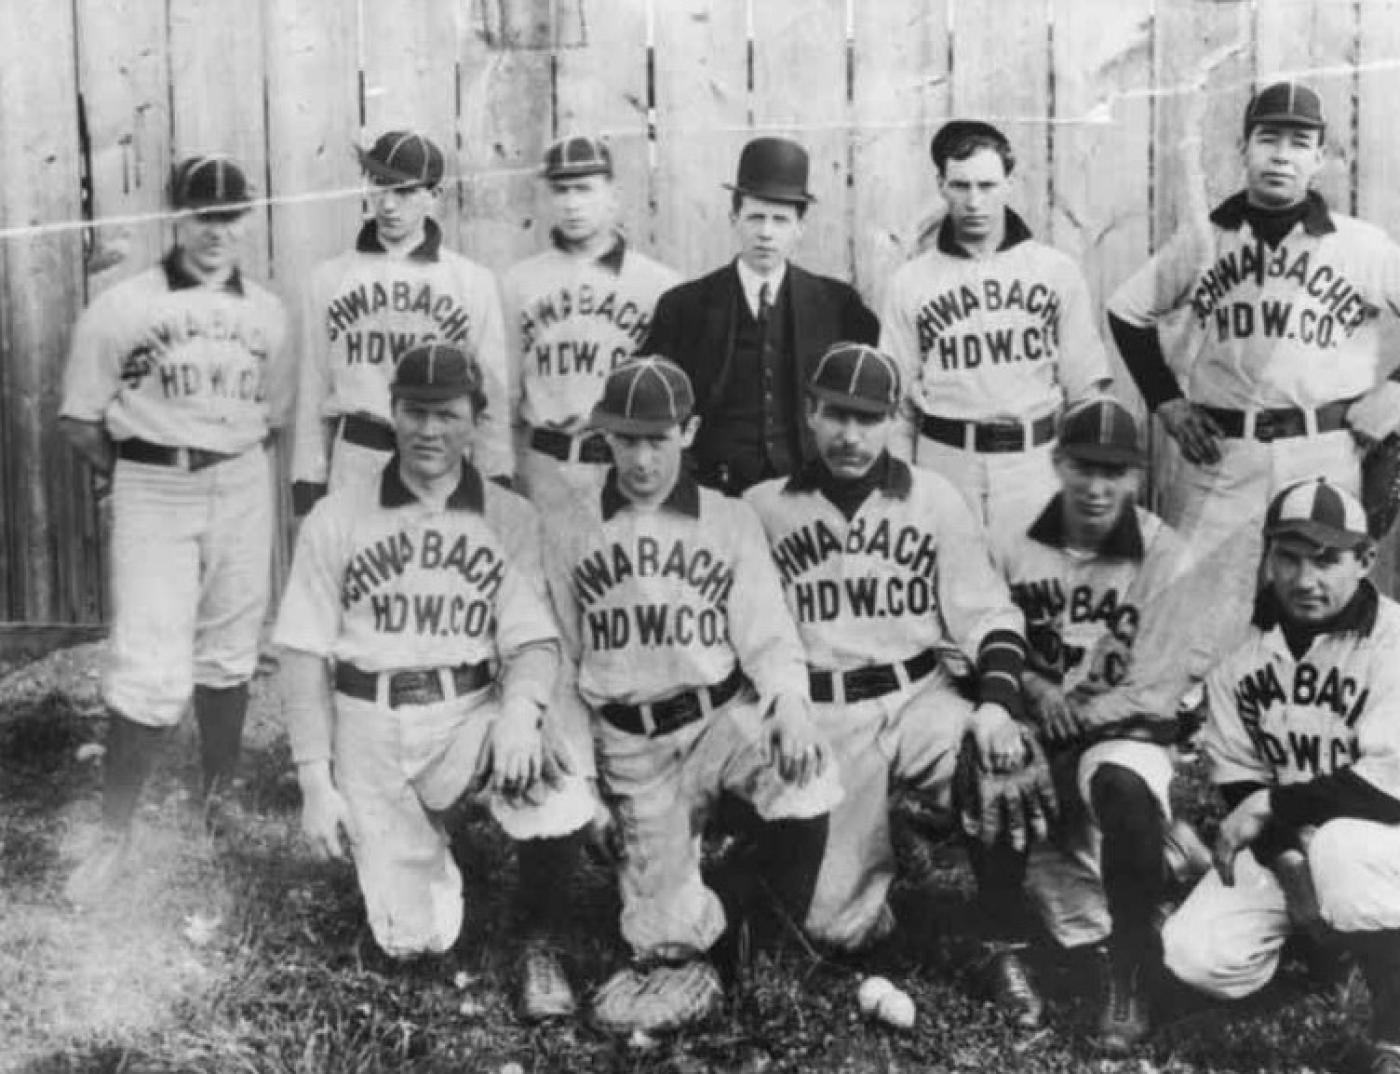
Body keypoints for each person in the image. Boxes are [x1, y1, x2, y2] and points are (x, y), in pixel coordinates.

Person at [273, 343, 595, 1020]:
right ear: (391, 412)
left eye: (447, 414)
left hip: (467, 716)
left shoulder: (508, 515)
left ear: (475, 419)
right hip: (369, 726)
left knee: (558, 784)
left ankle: (536, 938)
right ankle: (431, 853)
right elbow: (301, 652)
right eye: (414, 412)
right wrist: (314, 783)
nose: (428, 430)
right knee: (415, 943)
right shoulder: (339, 515)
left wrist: (520, 715)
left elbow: (535, 642)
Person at [744, 341, 1056, 1028]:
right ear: (809, 412)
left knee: (998, 761)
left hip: (919, 698)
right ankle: (825, 858)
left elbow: (989, 615)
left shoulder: (933, 497)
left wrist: (996, 706)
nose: (850, 436)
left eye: (868, 418)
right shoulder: (763, 507)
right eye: (836, 414)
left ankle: (1002, 939)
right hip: (824, 713)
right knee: (833, 932)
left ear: (893, 420)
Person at [542, 356, 842, 1034]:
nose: (641, 458)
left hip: (717, 721)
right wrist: (585, 785)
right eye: (626, 439)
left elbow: (768, 633)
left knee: (807, 776)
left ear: (689, 431)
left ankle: (763, 950)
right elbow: (562, 665)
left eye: (658, 438)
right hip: (631, 745)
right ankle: (698, 909)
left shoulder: (728, 518)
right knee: (665, 942)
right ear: (605, 436)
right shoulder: (569, 525)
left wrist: (789, 706)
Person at [58, 155, 291, 904]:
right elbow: (80, 419)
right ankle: (114, 831)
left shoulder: (268, 313)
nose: (216, 231)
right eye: (201, 216)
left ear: (246, 220)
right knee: (150, 658)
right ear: (175, 219)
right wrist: (133, 474)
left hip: (241, 476)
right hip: (155, 479)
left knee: (230, 645)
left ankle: (218, 798)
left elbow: (275, 413)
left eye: (230, 216)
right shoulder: (122, 307)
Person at [1107, 81, 1400, 648]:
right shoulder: (1203, 241)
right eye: (1269, 139)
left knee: (1320, 603)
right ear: (1244, 149)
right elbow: (1126, 311)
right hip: (1221, 453)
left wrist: (1396, 391)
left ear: (1319, 158)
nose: (1281, 155)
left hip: (1321, 448)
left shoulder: (1359, 245)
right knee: (1194, 610)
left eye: (1299, 142)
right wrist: (1166, 402)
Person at [993, 397, 1211, 1052]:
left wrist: (1075, 719)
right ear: (1057, 462)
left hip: (1120, 731)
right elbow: (972, 642)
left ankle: (1131, 971)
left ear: (1137, 476)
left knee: (1121, 784)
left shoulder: (1166, 553)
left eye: (1114, 472)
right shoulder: (1011, 539)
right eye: (1083, 467)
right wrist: (1034, 688)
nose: (1096, 486)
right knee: (1069, 908)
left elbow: (1161, 688)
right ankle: (1162, 858)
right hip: (1035, 729)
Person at [1161, 478, 1400, 1074]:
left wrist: (1274, 805)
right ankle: (1323, 954)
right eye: (1288, 558)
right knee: (1195, 954)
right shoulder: (1243, 649)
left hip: (1383, 839)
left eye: (1326, 560)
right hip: (1297, 839)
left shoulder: (1393, 641)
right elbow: (1239, 779)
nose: (1304, 579)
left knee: (1342, 851)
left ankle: (1393, 1032)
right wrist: (1288, 863)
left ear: (1366, 559)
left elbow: (1389, 787)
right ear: (1268, 557)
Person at [880, 120, 1112, 533]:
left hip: (1034, 465)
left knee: (1035, 573)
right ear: (941, 185)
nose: (974, 201)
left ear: (1009, 184)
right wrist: (901, 492)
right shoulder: (911, 282)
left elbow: (1086, 394)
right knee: (950, 573)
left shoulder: (1054, 271)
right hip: (945, 463)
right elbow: (896, 408)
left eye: (986, 186)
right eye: (960, 186)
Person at [642, 137, 878, 496]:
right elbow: (656, 407)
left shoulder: (837, 306)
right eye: (755, 218)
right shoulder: (685, 307)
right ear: (734, 219)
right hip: (715, 491)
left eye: (780, 220)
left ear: (800, 227)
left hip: (807, 492)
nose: (766, 233)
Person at [291, 130, 511, 514]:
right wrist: (308, 486)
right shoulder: (329, 279)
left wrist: (495, 485)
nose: (388, 204)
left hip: (439, 460)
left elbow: (491, 400)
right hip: (359, 455)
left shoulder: (471, 282)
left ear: (433, 197)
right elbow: (313, 393)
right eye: (379, 185)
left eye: (405, 192)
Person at [501, 135, 679, 510]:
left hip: (627, 467)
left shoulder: (660, 286)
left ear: (613, 196)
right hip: (546, 466)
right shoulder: (519, 283)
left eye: (584, 189)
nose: (572, 204)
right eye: (561, 190)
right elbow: (506, 399)